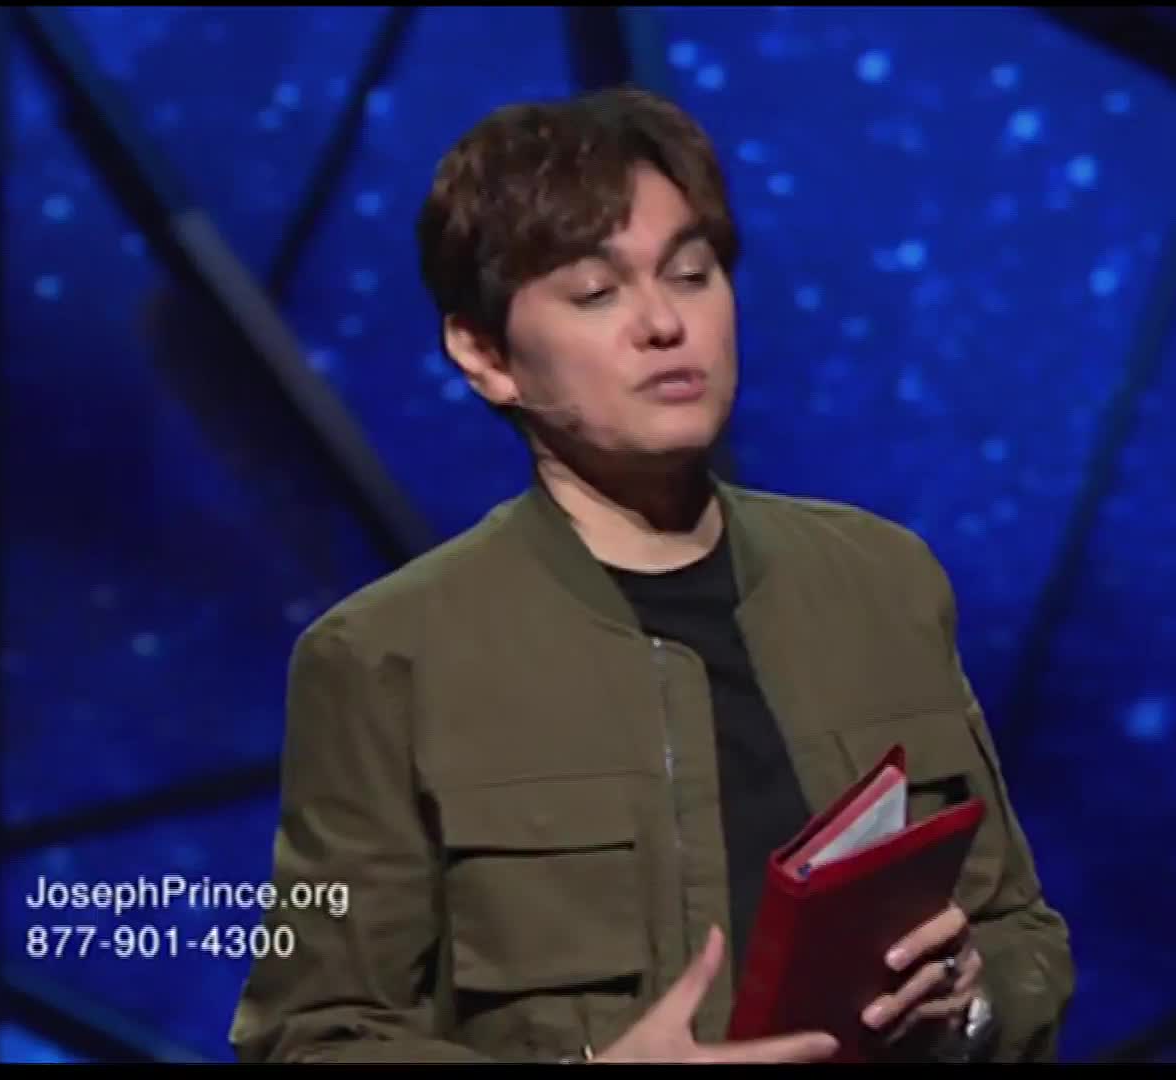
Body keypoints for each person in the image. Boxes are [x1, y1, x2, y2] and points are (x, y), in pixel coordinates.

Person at [228, 86, 1073, 1064]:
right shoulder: (387, 658)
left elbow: (1020, 931)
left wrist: (972, 1005)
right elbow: (313, 1034)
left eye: (693, 274)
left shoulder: (884, 582)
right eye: (596, 293)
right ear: (486, 353)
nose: (663, 323)